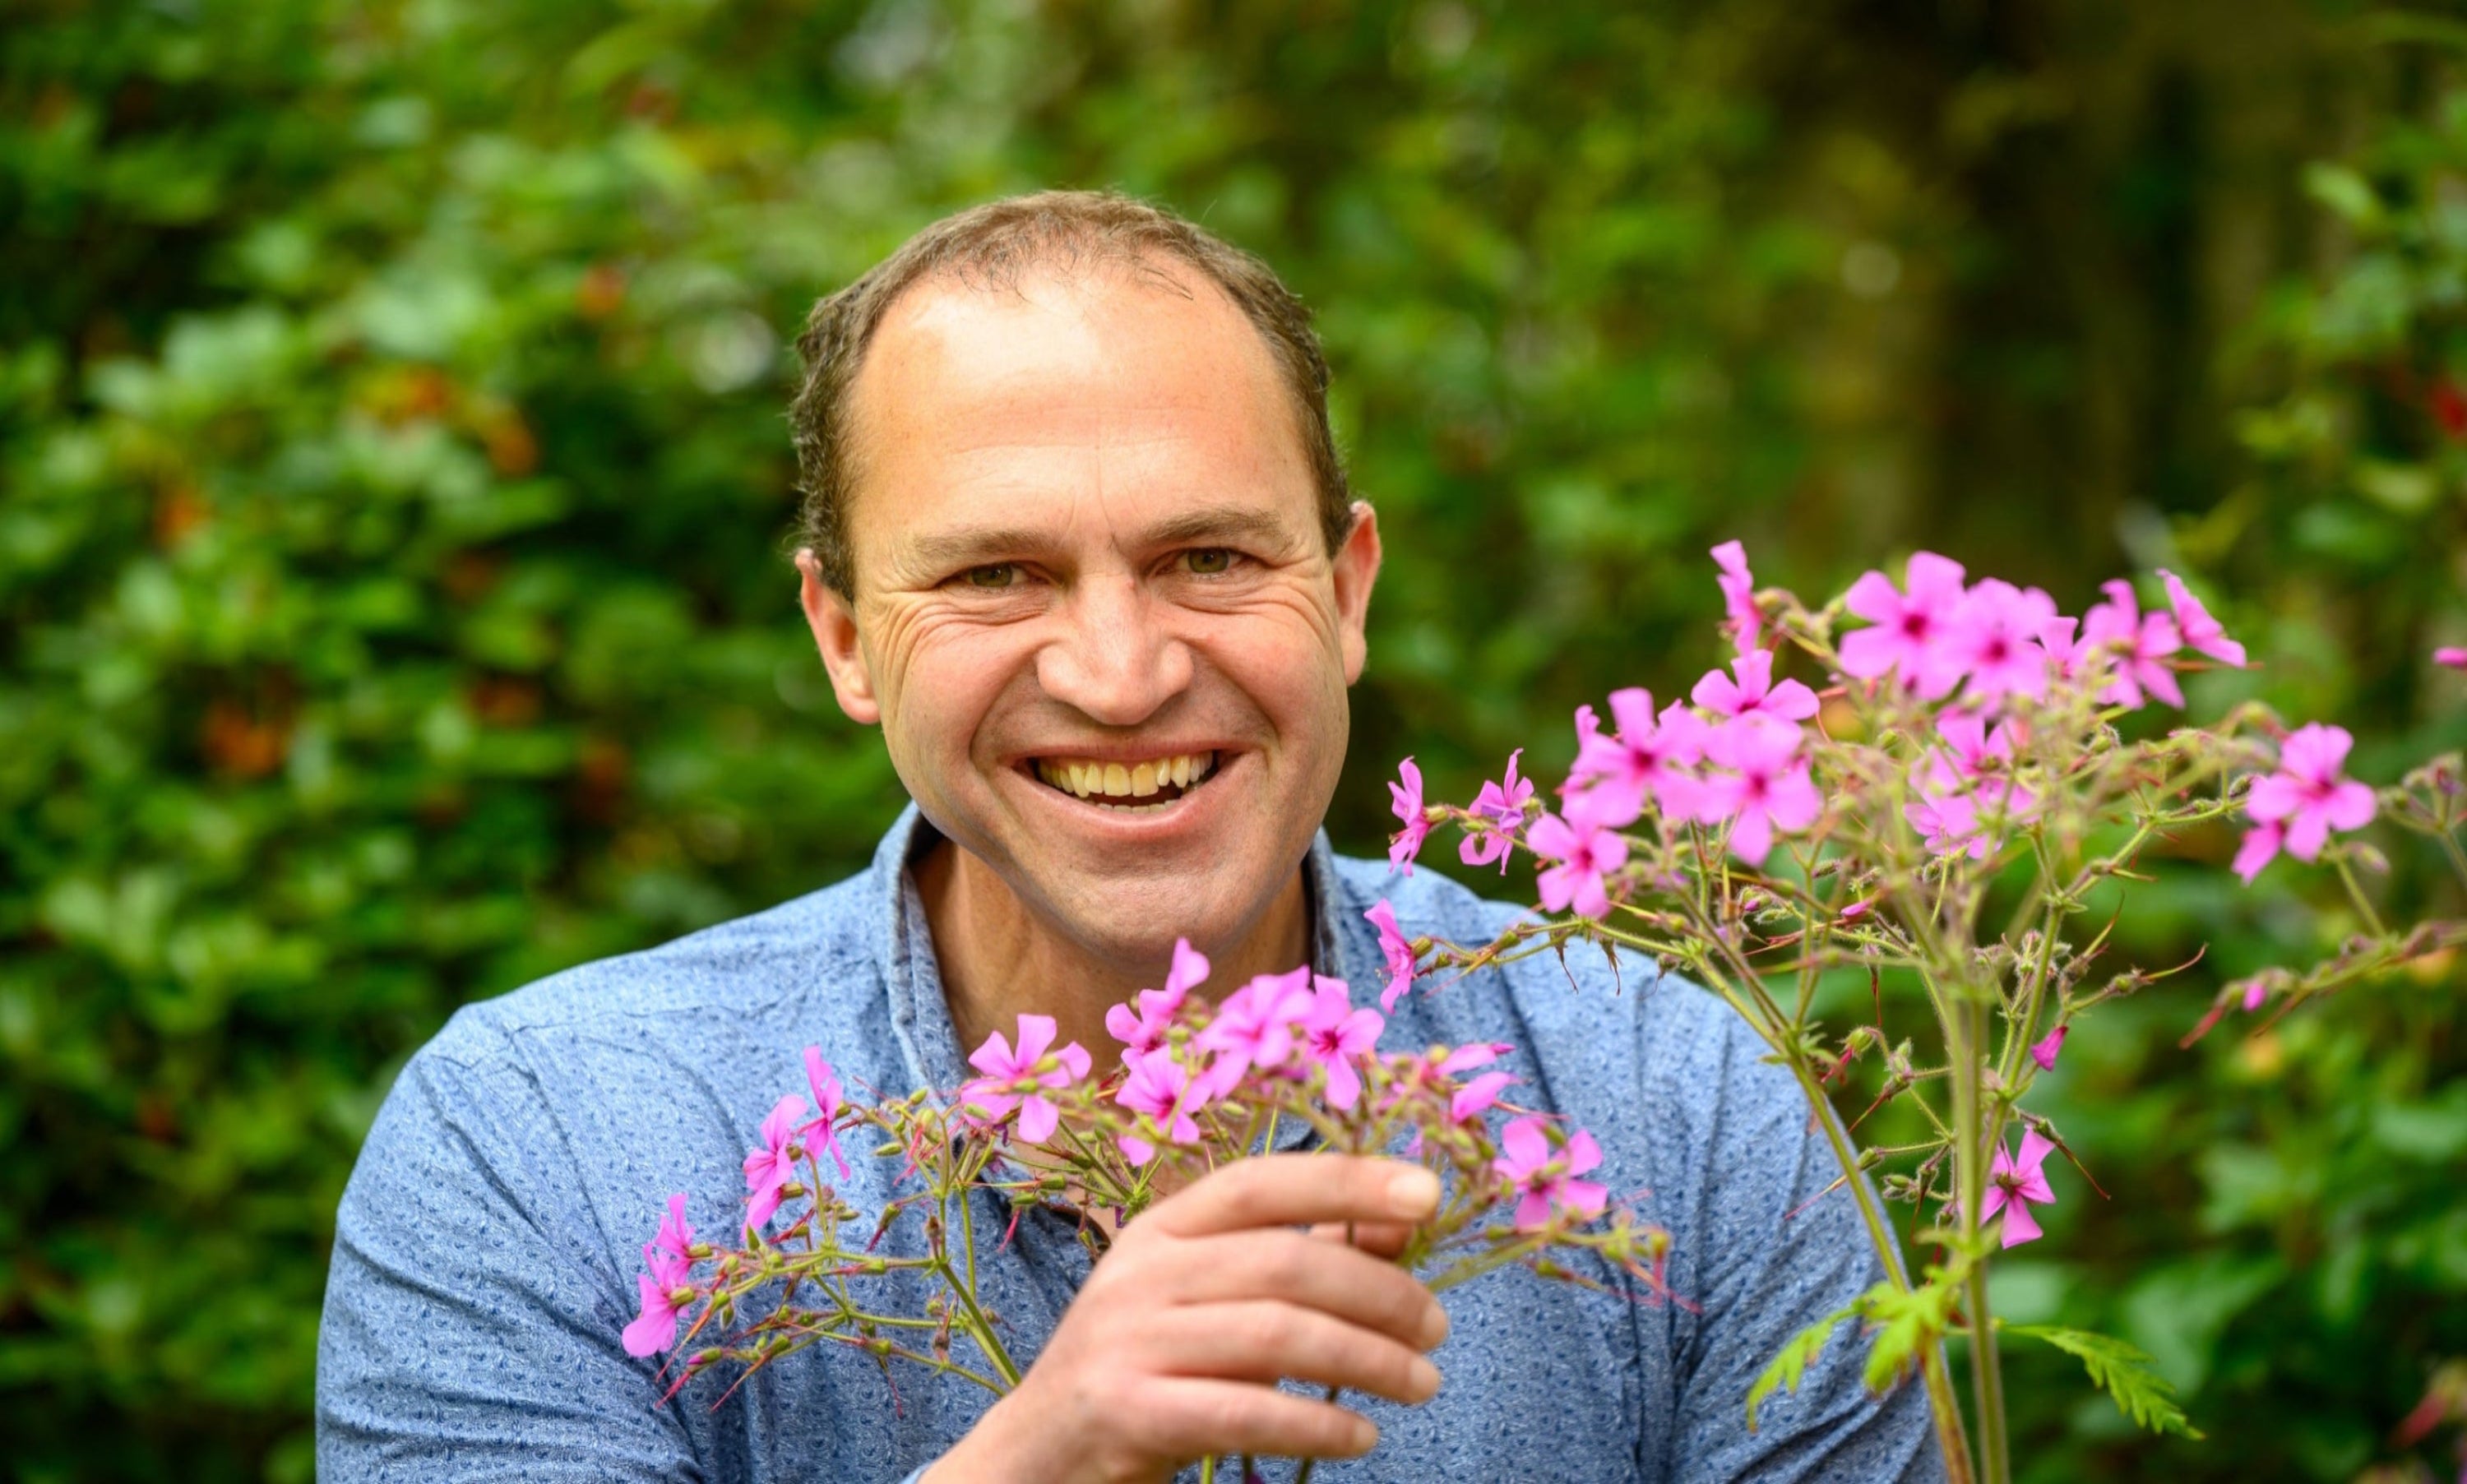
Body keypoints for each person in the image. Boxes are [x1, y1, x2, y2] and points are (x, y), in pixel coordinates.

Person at [316, 190, 1943, 1483]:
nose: (1122, 674)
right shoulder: (536, 1147)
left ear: (1349, 587)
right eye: (993, 575)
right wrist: (1047, 1457)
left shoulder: (1669, 1099)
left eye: (1212, 558)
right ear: (839, 637)